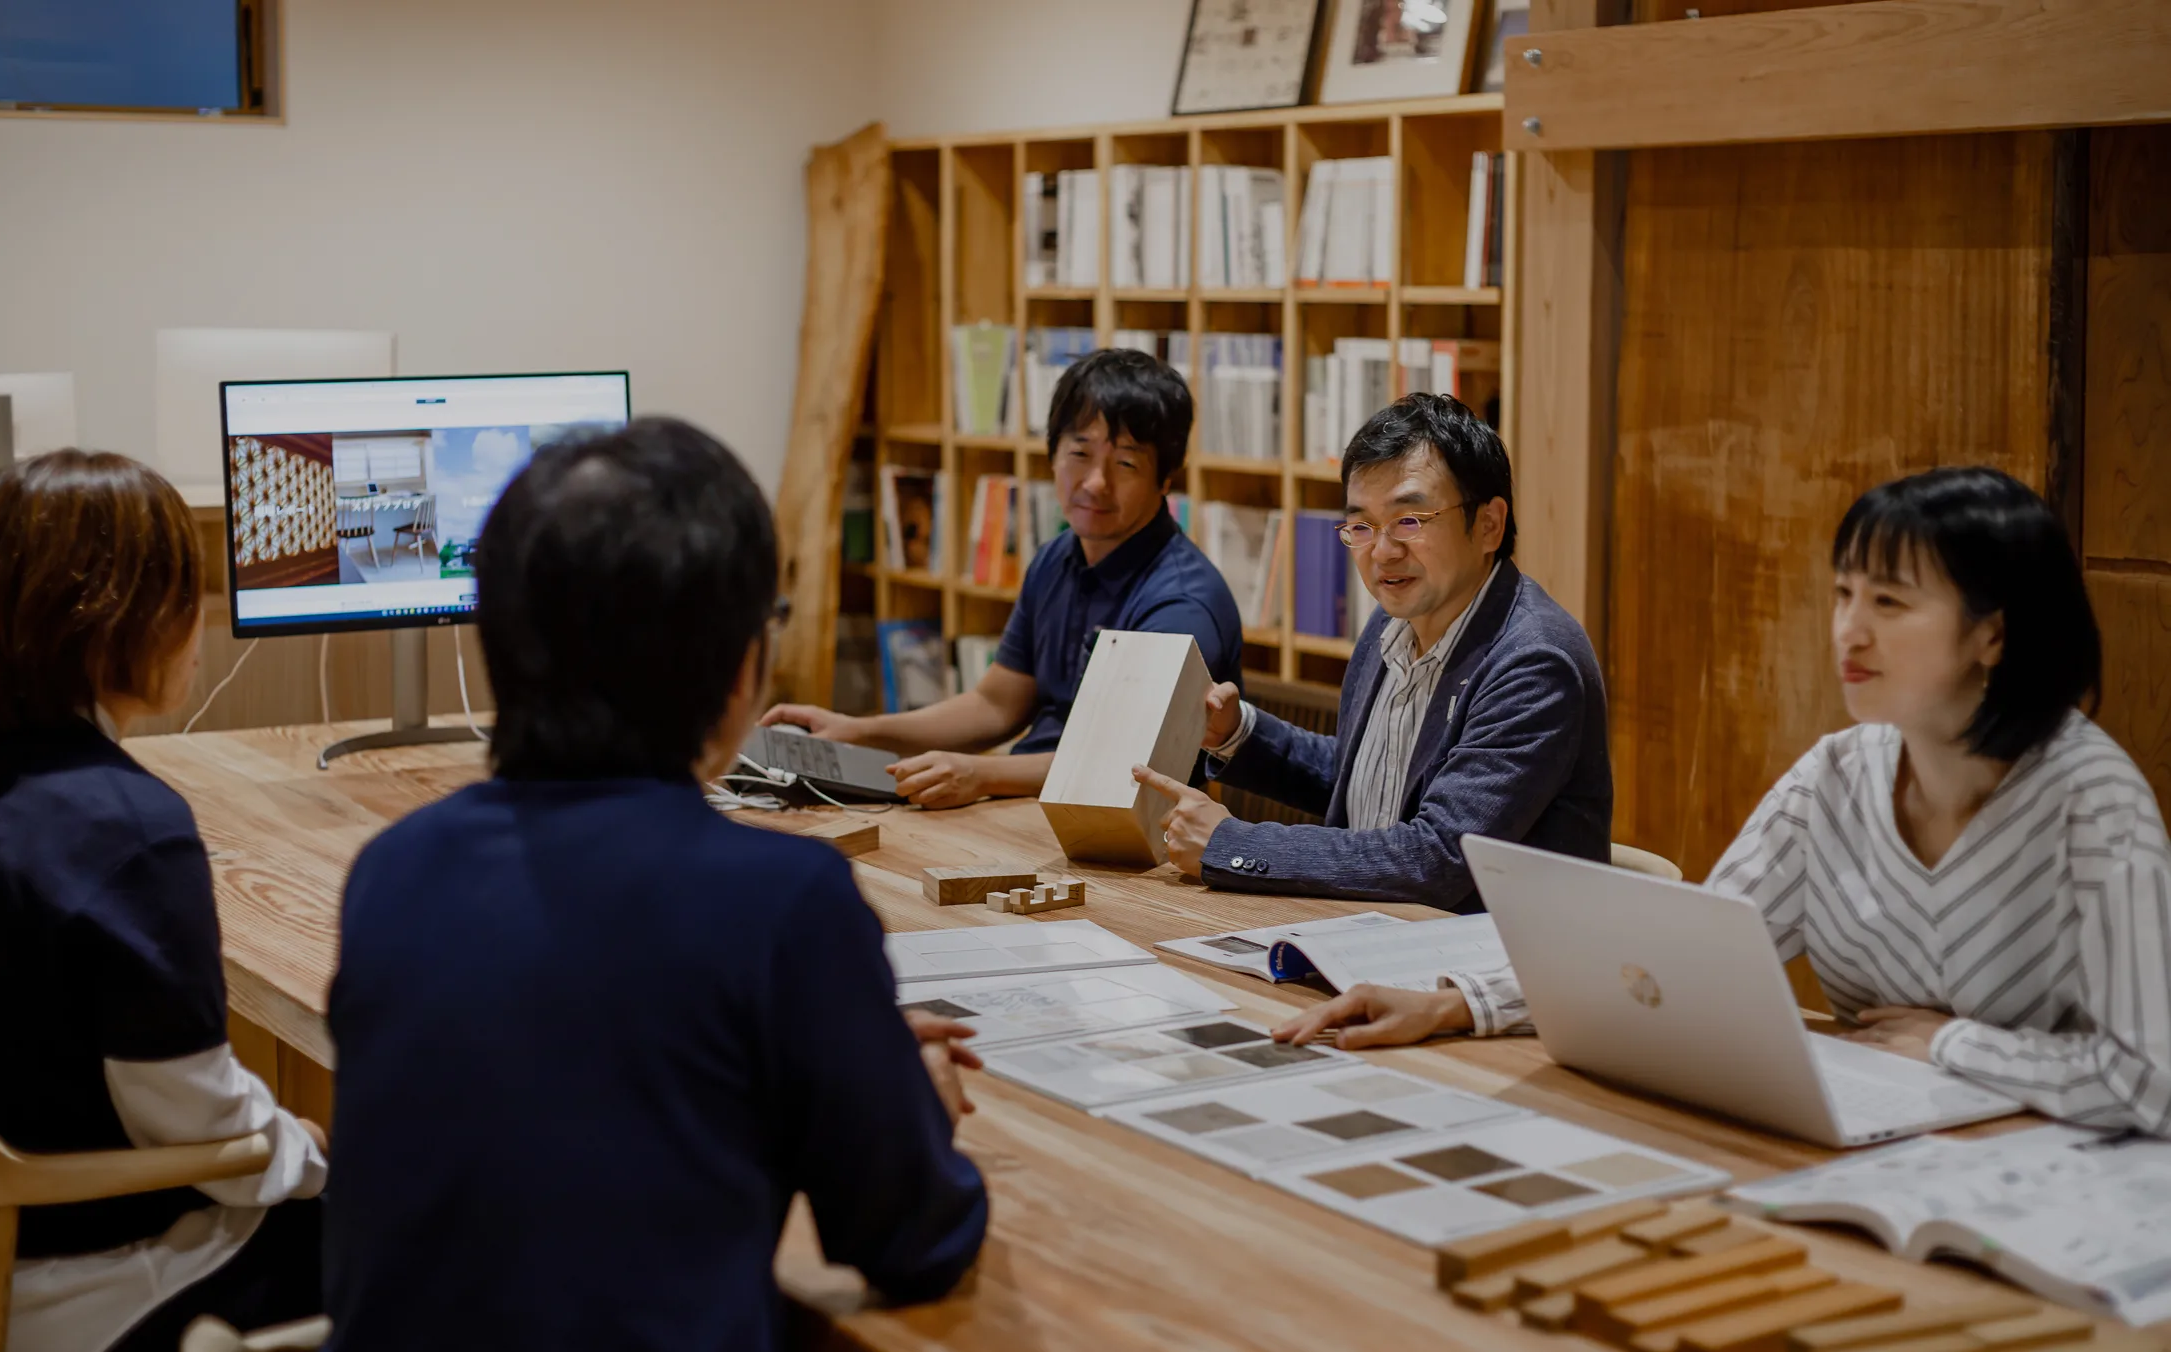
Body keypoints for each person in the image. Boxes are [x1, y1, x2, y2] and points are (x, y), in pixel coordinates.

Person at [306, 419, 990, 1352]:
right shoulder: (781, 898)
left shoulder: (393, 870)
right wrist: (906, 1104)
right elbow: (913, 1244)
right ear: (738, 675)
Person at [1278, 466, 2171, 1134]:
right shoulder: (1837, 776)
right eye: (1844, 594)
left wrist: (1948, 1042)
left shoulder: (2092, 805)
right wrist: (1455, 1003)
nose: (1850, 631)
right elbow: (1676, 950)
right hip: (1874, 1148)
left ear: (1993, 633)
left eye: (1891, 602)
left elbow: (2147, 1080)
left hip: (2049, 1190)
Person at [0, 451, 328, 1352]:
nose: (199, 628)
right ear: (118, 619)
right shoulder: (123, 827)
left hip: (16, 1246)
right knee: (427, 1239)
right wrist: (297, 1147)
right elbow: (186, 1118)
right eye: (187, 595)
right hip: (52, 1294)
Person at [1135, 394, 1611, 947]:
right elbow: (1368, 780)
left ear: (1488, 524)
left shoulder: (1533, 663)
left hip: (1490, 972)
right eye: (1361, 526)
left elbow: (1436, 857)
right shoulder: (1393, 624)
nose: (1382, 552)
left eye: (1409, 519)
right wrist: (1240, 734)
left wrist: (1233, 844)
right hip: (1368, 937)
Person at [763, 349, 1243, 808]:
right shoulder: (1057, 558)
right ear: (1052, 455)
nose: (1095, 482)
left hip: (1127, 840)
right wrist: (857, 731)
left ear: (1165, 481)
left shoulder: (1180, 601)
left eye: (1125, 463)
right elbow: (995, 705)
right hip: (1027, 808)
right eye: (1080, 452)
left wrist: (981, 775)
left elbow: (1125, 767)